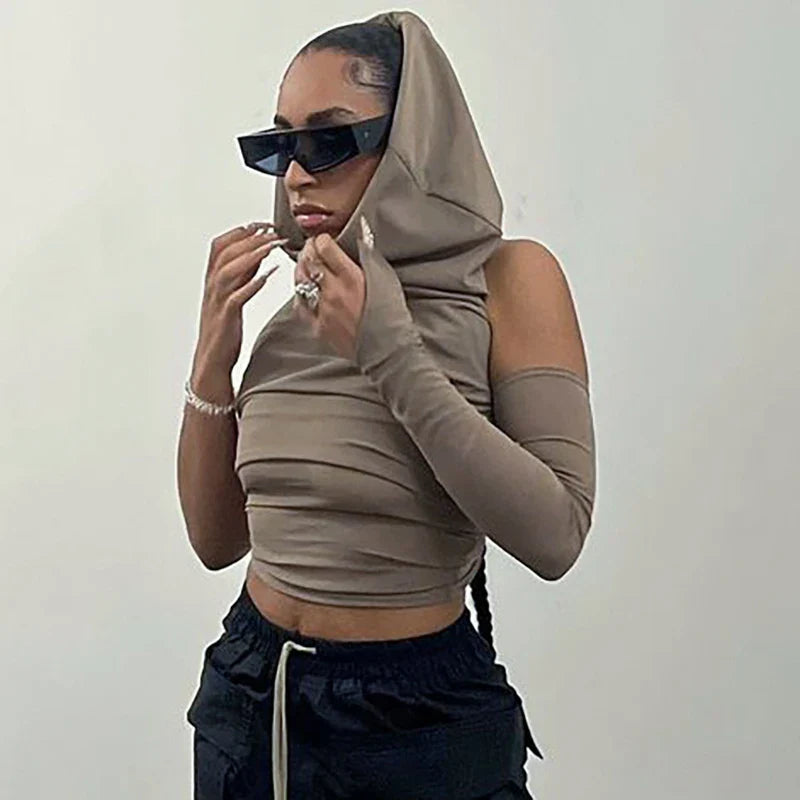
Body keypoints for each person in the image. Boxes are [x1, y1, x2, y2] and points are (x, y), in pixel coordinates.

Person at [178, 10, 596, 799]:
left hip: (417, 718)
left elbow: (557, 536)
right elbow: (215, 540)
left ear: (412, 141)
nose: (296, 175)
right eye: (280, 146)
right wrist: (213, 354)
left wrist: (390, 353)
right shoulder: (303, 301)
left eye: (330, 140)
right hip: (250, 692)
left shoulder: (507, 280)